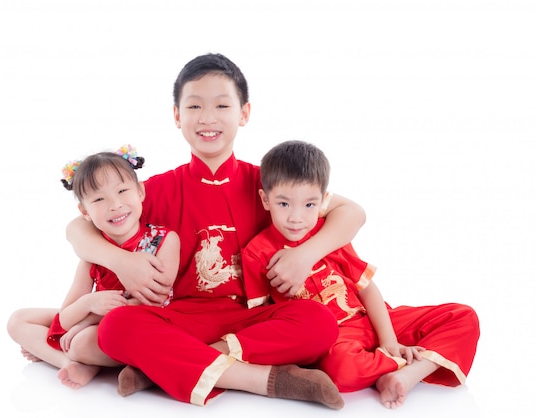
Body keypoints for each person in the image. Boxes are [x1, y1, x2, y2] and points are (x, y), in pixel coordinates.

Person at [65, 53, 367, 408]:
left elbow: (353, 212)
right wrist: (121, 262)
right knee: (118, 327)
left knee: (320, 323)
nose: (207, 118)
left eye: (222, 105)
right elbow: (78, 227)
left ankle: (163, 366)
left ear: (244, 113)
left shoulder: (268, 186)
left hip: (252, 319)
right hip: (178, 317)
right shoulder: (155, 189)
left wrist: (305, 255)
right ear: (177, 116)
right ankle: (263, 380)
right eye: (194, 106)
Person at [241, 139, 480, 409]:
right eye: (284, 204)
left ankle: (408, 372)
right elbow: (262, 317)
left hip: (374, 319)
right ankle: (400, 366)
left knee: (463, 316)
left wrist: (389, 340)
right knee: (342, 370)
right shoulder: (257, 253)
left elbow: (366, 287)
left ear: (322, 201)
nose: (296, 217)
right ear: (265, 199)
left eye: (309, 205)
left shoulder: (328, 234)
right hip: (334, 339)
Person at [7, 145, 180, 389]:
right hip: (94, 316)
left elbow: (155, 300)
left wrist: (85, 322)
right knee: (18, 320)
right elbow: (66, 317)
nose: (115, 205)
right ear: (84, 211)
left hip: (139, 324)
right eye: (99, 199)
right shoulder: (92, 253)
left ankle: (77, 356)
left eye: (122, 191)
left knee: (81, 341)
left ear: (141, 191)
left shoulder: (163, 240)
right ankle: (68, 362)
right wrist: (88, 303)